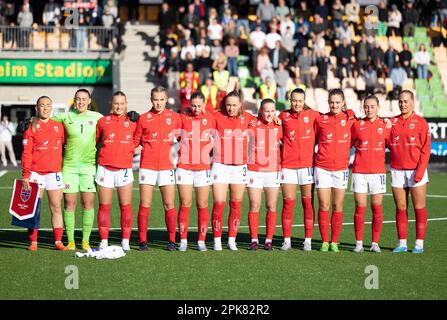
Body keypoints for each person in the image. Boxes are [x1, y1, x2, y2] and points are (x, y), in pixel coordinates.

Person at [133, 86, 181, 251]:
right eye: (155, 99)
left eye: (161, 99)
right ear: (151, 99)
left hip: (167, 166)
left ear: (166, 99)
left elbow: (185, 137)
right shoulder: (143, 118)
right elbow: (134, 141)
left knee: (169, 203)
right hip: (147, 166)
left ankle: (172, 241)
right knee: (145, 204)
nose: (158, 103)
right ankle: (142, 241)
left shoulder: (175, 117)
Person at [211, 90, 256, 251]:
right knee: (219, 203)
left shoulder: (248, 118)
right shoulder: (216, 116)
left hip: (239, 168)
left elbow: (265, 121)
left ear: (240, 105)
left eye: (234, 105)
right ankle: (217, 240)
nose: (231, 108)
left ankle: (231, 239)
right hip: (220, 165)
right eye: (228, 105)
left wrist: (277, 119)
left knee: (236, 204)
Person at [21, 96, 66, 251]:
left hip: (54, 173)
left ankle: (58, 241)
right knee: (35, 208)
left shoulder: (59, 127)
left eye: (48, 105)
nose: (45, 108)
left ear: (51, 107)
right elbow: (26, 153)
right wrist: (26, 174)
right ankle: (33, 242)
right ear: (37, 108)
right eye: (42, 105)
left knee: (56, 207)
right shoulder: (31, 128)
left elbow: (65, 144)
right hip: (35, 173)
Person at [314, 89, 356, 252]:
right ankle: (325, 241)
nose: (334, 105)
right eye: (332, 102)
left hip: (341, 169)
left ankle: (335, 241)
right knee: (324, 205)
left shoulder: (350, 119)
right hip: (322, 167)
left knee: (337, 205)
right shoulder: (321, 120)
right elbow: (314, 138)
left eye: (338, 102)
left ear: (343, 103)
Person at [388, 90, 430, 254]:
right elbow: (387, 142)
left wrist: (419, 172)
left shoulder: (421, 122)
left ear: (412, 103)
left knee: (419, 207)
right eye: (400, 101)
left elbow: (426, 150)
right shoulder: (392, 122)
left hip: (416, 171)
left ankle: (419, 243)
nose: (402, 104)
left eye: (405, 101)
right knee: (400, 207)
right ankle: (402, 243)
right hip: (397, 171)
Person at [96, 91, 137, 252]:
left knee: (125, 206)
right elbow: (96, 141)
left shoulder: (133, 122)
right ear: (111, 105)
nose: (119, 106)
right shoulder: (102, 122)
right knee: (104, 206)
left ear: (126, 104)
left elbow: (137, 140)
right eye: (116, 103)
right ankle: (104, 240)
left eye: (122, 103)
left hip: (125, 169)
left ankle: (125, 241)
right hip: (105, 168)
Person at [279, 88, 319, 251]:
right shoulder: (283, 116)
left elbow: (334, 116)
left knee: (307, 203)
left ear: (304, 101)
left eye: (300, 101)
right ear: (290, 100)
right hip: (288, 166)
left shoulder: (314, 115)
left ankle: (307, 240)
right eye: (294, 100)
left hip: (307, 166)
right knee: (288, 203)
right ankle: (286, 240)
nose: (297, 103)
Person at [350, 95, 391, 253]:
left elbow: (391, 143)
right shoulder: (357, 125)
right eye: (366, 106)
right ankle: (359, 243)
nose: (369, 109)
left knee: (376, 207)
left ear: (378, 108)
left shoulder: (386, 125)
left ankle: (375, 243)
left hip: (378, 173)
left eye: (372, 106)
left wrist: (389, 121)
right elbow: (352, 142)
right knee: (360, 207)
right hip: (359, 171)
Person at [176, 92, 216, 251]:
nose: (196, 108)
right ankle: (183, 241)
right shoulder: (182, 117)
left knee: (203, 204)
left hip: (203, 168)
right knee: (185, 203)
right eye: (193, 105)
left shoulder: (211, 119)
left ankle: (201, 241)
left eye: (199, 105)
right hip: (184, 167)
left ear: (204, 104)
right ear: (189, 104)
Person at [247, 98, 282, 250]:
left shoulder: (280, 125)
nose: (269, 114)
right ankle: (254, 239)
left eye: (272, 111)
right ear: (260, 110)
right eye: (266, 110)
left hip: (273, 170)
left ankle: (268, 240)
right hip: (254, 169)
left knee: (271, 206)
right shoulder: (252, 124)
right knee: (255, 205)